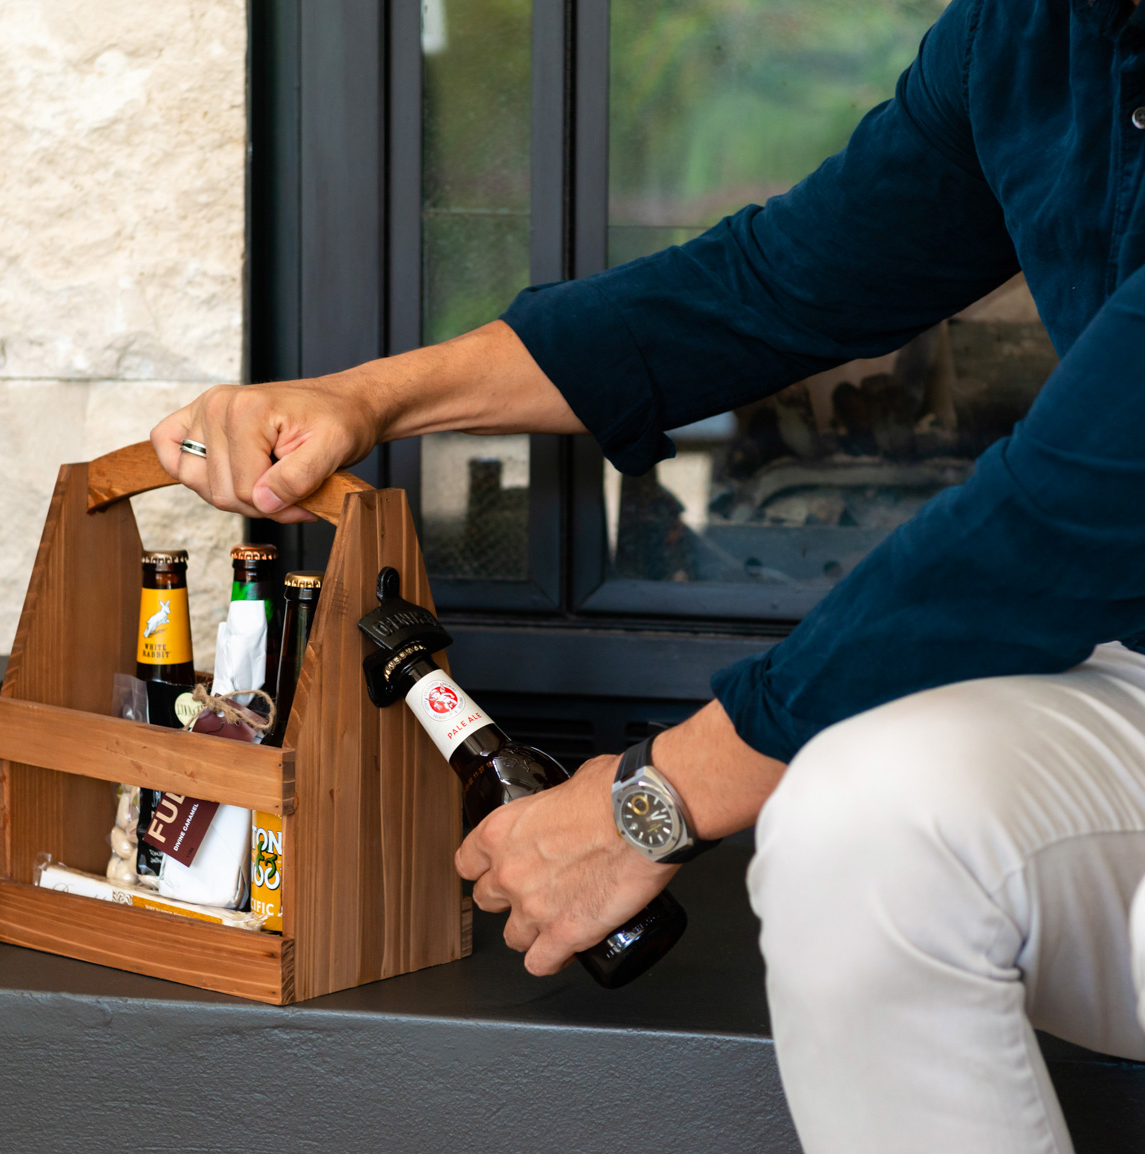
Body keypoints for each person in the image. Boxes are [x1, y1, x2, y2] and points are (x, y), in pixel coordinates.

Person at [153, 0, 1145, 1147]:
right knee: (852, 827)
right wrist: (367, 397)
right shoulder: (1030, 31)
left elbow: (1071, 504)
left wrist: (651, 800)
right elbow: (770, 284)